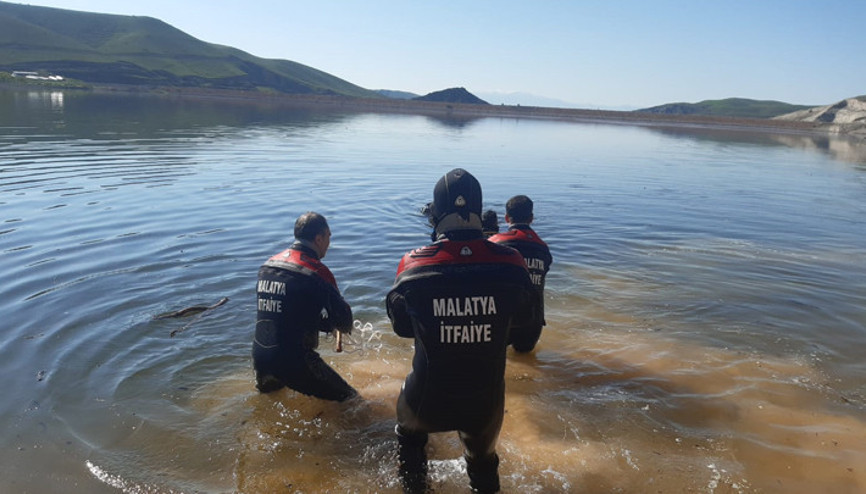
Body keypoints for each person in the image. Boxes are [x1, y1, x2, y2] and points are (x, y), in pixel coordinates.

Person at [386, 169, 539, 493]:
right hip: (484, 402)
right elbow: (526, 318)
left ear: (436, 215)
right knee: (483, 468)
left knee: (410, 440)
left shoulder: (412, 266)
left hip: (425, 399)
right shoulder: (512, 263)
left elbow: (401, 328)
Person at [252, 211, 357, 402]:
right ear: (319, 238)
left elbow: (286, 315)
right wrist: (332, 324)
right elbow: (345, 322)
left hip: (261, 357)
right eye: (328, 237)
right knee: (351, 401)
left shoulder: (268, 265)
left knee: (269, 405)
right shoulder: (316, 271)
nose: (329, 244)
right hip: (295, 360)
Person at [488, 195, 552, 353]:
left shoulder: (495, 243)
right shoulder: (543, 248)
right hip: (533, 320)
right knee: (525, 359)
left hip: (504, 318)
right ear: (531, 218)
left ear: (506, 218)